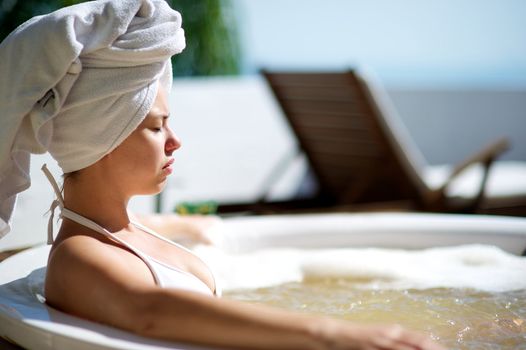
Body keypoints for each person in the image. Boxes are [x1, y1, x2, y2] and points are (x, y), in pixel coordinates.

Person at [0, 1, 445, 349]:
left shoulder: (120, 232)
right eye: (157, 126)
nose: (175, 141)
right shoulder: (81, 256)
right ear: (101, 139)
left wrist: (191, 225)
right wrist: (335, 335)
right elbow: (149, 310)